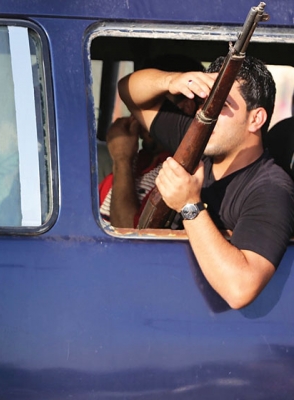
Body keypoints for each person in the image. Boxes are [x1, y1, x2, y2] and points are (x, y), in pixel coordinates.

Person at [118, 55, 294, 309]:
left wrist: (189, 206)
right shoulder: (197, 140)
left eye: (219, 105)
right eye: (204, 103)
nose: (204, 114)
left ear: (256, 119)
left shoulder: (271, 190)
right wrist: (172, 81)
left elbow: (240, 290)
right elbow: (128, 91)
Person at [100, 55, 203, 228]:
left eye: (150, 106)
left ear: (186, 107)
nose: (137, 117)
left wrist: (122, 160)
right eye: (135, 107)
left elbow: (129, 233)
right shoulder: (136, 163)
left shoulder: (177, 173)